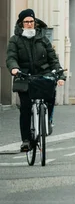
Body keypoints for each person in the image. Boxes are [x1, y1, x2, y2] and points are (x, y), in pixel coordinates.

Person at [6, 9, 65, 152]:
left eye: (31, 21)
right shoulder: (15, 40)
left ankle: (48, 121)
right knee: (25, 108)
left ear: (35, 23)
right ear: (21, 24)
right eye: (26, 22)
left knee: (50, 97)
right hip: (24, 76)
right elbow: (11, 57)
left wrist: (60, 75)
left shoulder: (43, 39)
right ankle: (26, 140)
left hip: (42, 75)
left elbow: (53, 59)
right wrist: (14, 68)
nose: (29, 24)